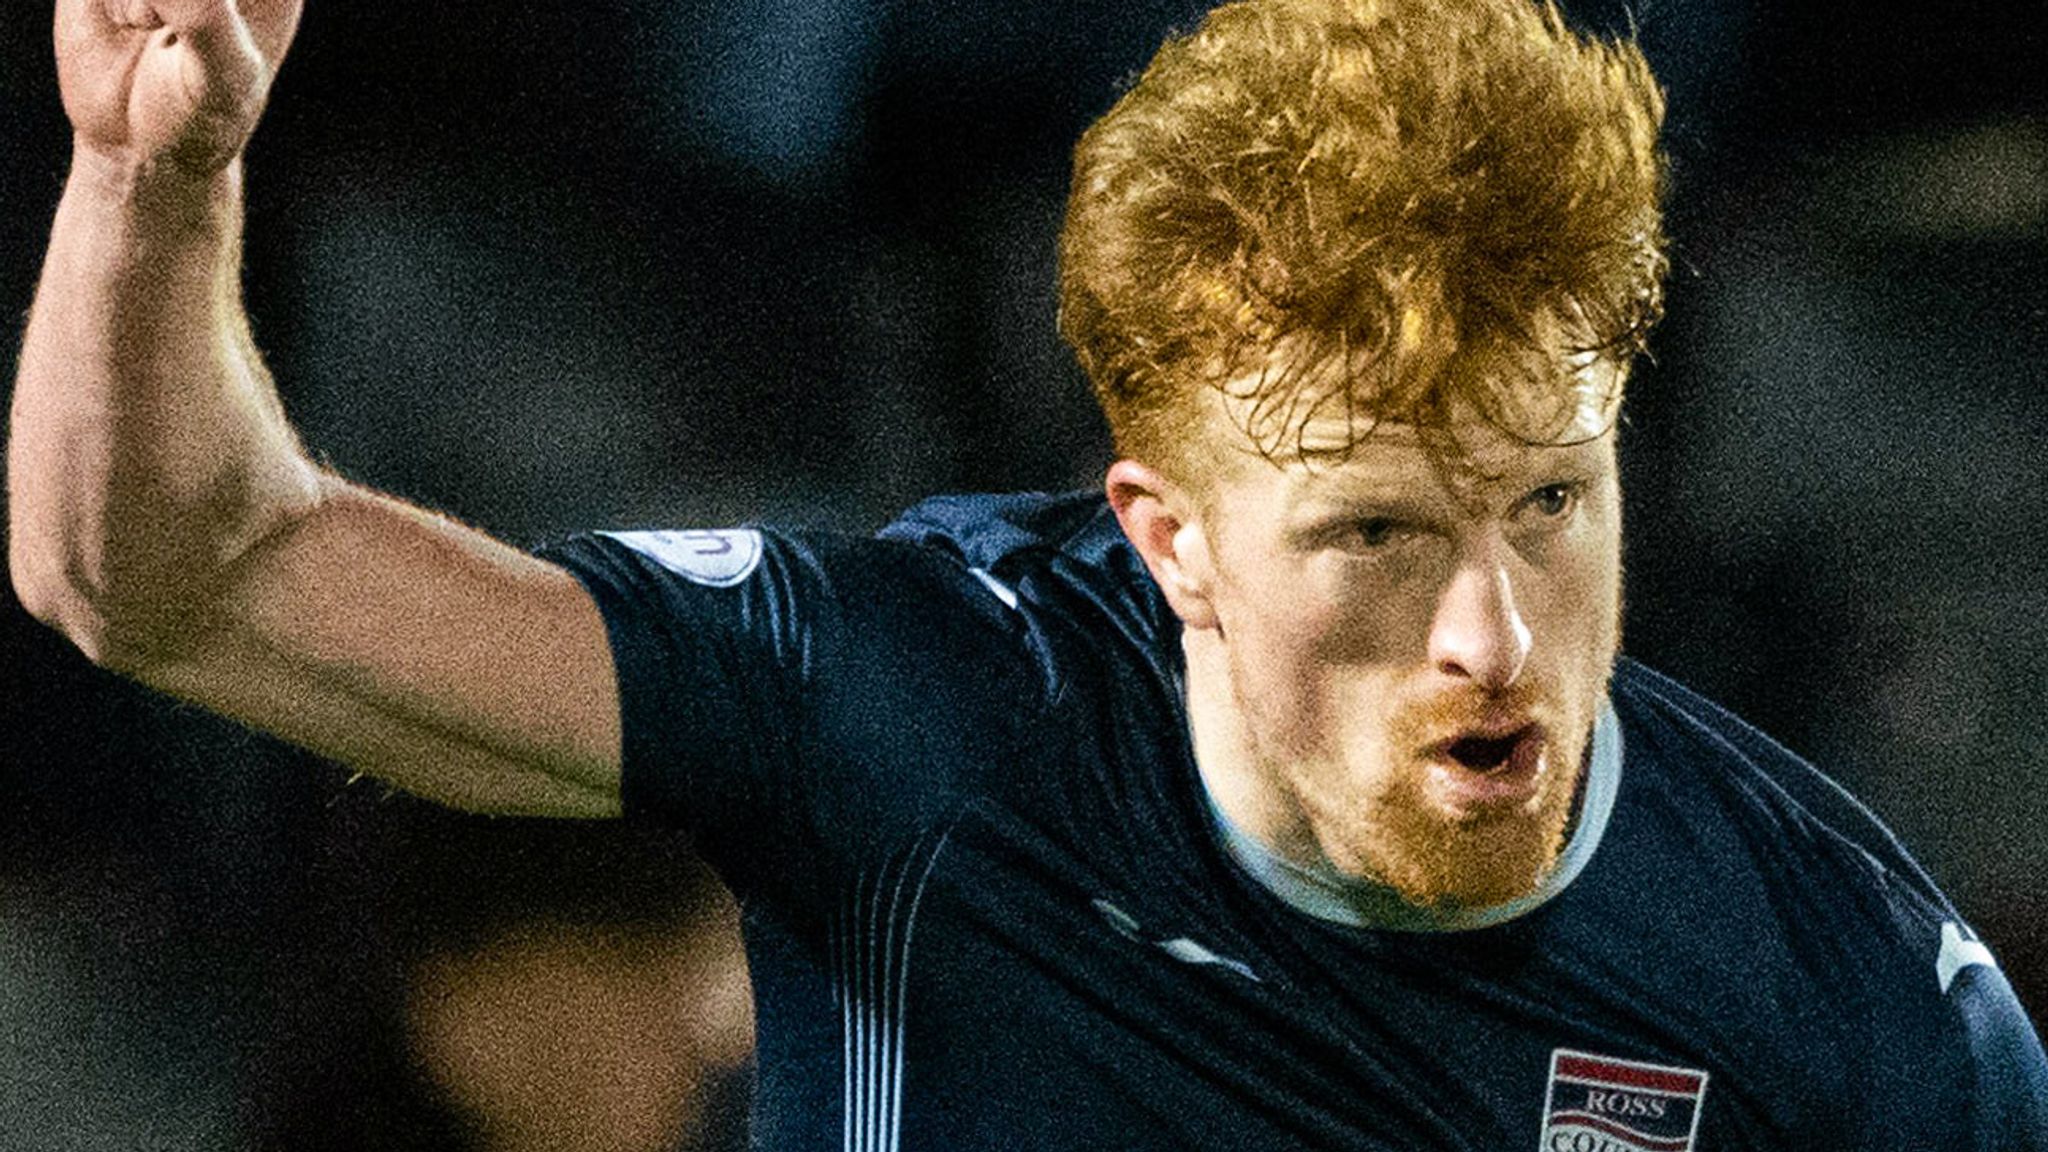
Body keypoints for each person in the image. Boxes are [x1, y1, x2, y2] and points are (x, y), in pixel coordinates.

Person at [11, 0, 2045, 1147]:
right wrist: (147, 183)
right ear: (1170, 537)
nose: (1492, 635)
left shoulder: (1863, 1010)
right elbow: (181, 581)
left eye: (1547, 505)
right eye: (1373, 535)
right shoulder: (898, 711)